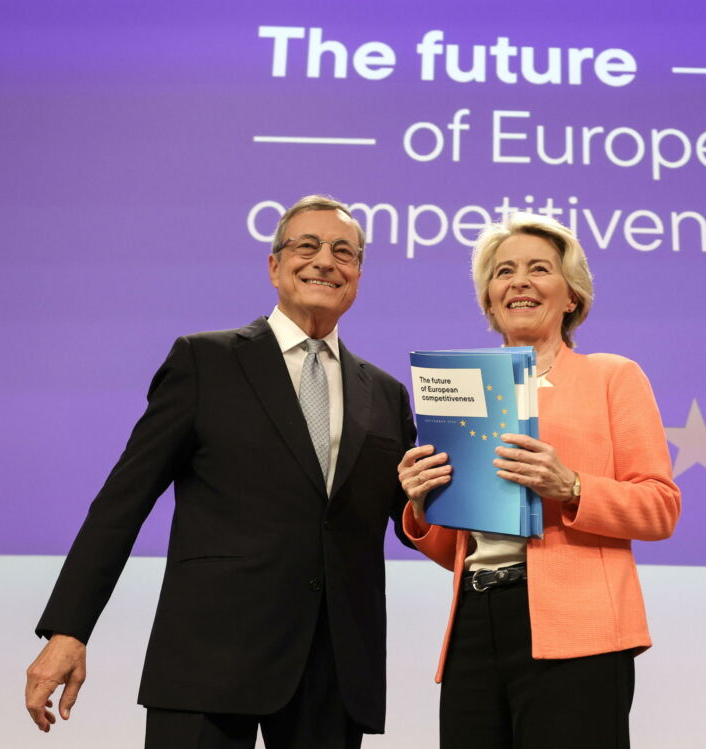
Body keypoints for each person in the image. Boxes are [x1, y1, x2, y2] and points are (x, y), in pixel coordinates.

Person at [24, 195, 415, 749]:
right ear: (274, 266)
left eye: (343, 252)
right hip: (207, 661)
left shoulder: (386, 394)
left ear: (357, 275)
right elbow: (121, 504)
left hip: (332, 674)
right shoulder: (203, 362)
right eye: (307, 246)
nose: (326, 261)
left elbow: (411, 518)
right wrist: (68, 629)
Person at [397, 212, 681, 748]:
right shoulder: (461, 388)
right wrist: (422, 503)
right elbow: (454, 546)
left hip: (579, 632)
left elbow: (661, 507)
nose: (519, 281)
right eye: (503, 272)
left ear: (571, 295)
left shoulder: (612, 376)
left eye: (539, 269)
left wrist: (572, 486)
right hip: (473, 626)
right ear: (488, 300)